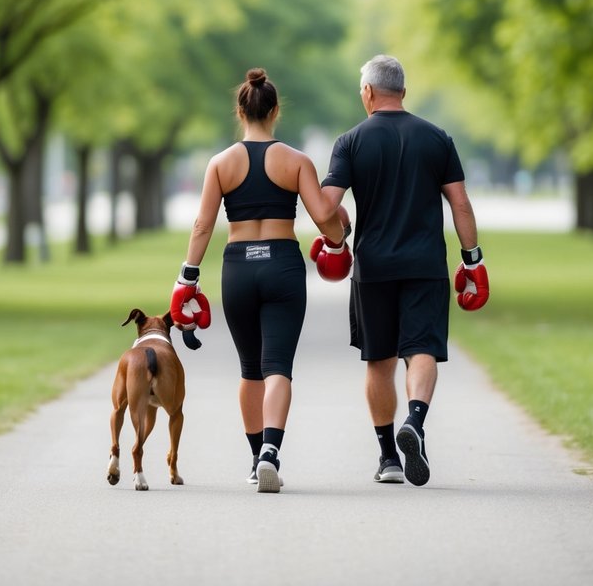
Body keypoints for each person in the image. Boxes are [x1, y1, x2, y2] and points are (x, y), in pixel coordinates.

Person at [171, 67, 348, 494]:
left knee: (250, 369)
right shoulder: (296, 160)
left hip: (239, 268)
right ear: (275, 111)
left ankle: (255, 459)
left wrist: (187, 278)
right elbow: (324, 215)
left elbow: (202, 225)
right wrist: (340, 242)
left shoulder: (220, 163)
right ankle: (271, 451)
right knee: (278, 368)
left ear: (241, 109)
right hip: (283, 266)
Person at [316, 54, 489, 487]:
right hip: (425, 265)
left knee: (379, 362)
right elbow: (460, 203)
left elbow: (325, 205)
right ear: (404, 92)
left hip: (373, 267)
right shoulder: (437, 138)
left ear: (368, 93)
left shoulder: (350, 142)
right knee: (422, 349)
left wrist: (336, 237)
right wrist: (473, 260)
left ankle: (389, 456)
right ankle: (416, 420)